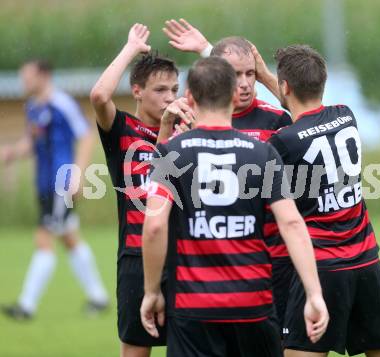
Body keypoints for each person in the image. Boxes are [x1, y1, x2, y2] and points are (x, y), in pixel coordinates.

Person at [140, 56, 329, 357]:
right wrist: (314, 293)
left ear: (189, 97)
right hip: (252, 303)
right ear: (232, 95)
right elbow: (292, 223)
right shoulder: (262, 153)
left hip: (192, 306)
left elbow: (154, 225)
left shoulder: (170, 152)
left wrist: (151, 291)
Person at [268, 44, 380, 356]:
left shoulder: (282, 142)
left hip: (322, 267)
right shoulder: (346, 116)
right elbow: (303, 114)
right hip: (367, 262)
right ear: (322, 82)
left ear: (284, 87)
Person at [162, 18, 294, 329]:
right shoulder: (194, 122)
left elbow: (309, 115)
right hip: (206, 265)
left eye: (251, 74)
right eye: (236, 75)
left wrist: (263, 73)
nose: (246, 83)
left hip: (268, 263)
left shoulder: (276, 118)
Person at [90, 23, 193, 357]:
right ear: (137, 91)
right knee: (136, 350)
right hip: (136, 257)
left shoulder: (187, 132)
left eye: (174, 89)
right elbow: (98, 96)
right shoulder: (122, 128)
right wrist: (131, 48)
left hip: (182, 256)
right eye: (160, 90)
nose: (169, 97)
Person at [0, 59, 109, 320]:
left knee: (44, 238)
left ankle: (26, 307)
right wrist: (11, 154)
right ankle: (99, 298)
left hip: (61, 183)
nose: (23, 81)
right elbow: (32, 141)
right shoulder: (33, 108)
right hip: (43, 183)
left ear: (43, 76)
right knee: (69, 238)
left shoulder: (62, 103)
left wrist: (78, 173)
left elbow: (85, 134)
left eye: (27, 76)